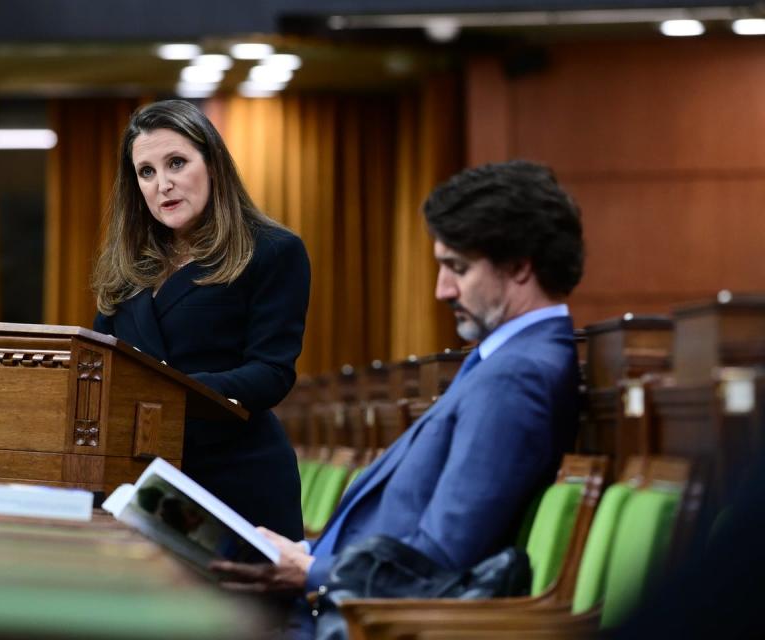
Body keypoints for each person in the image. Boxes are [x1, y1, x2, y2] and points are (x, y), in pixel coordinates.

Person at [211, 160, 586, 635]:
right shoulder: (510, 360)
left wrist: (309, 571)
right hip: (340, 601)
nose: (441, 289)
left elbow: (440, 557)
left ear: (519, 267)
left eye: (458, 268)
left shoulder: (518, 375)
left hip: (358, 619)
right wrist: (302, 553)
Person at [92, 100, 309, 542]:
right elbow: (99, 367)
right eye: (146, 172)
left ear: (212, 165)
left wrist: (168, 396)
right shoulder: (128, 267)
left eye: (176, 163)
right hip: (140, 475)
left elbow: (271, 372)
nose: (163, 184)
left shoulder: (272, 250)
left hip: (236, 478)